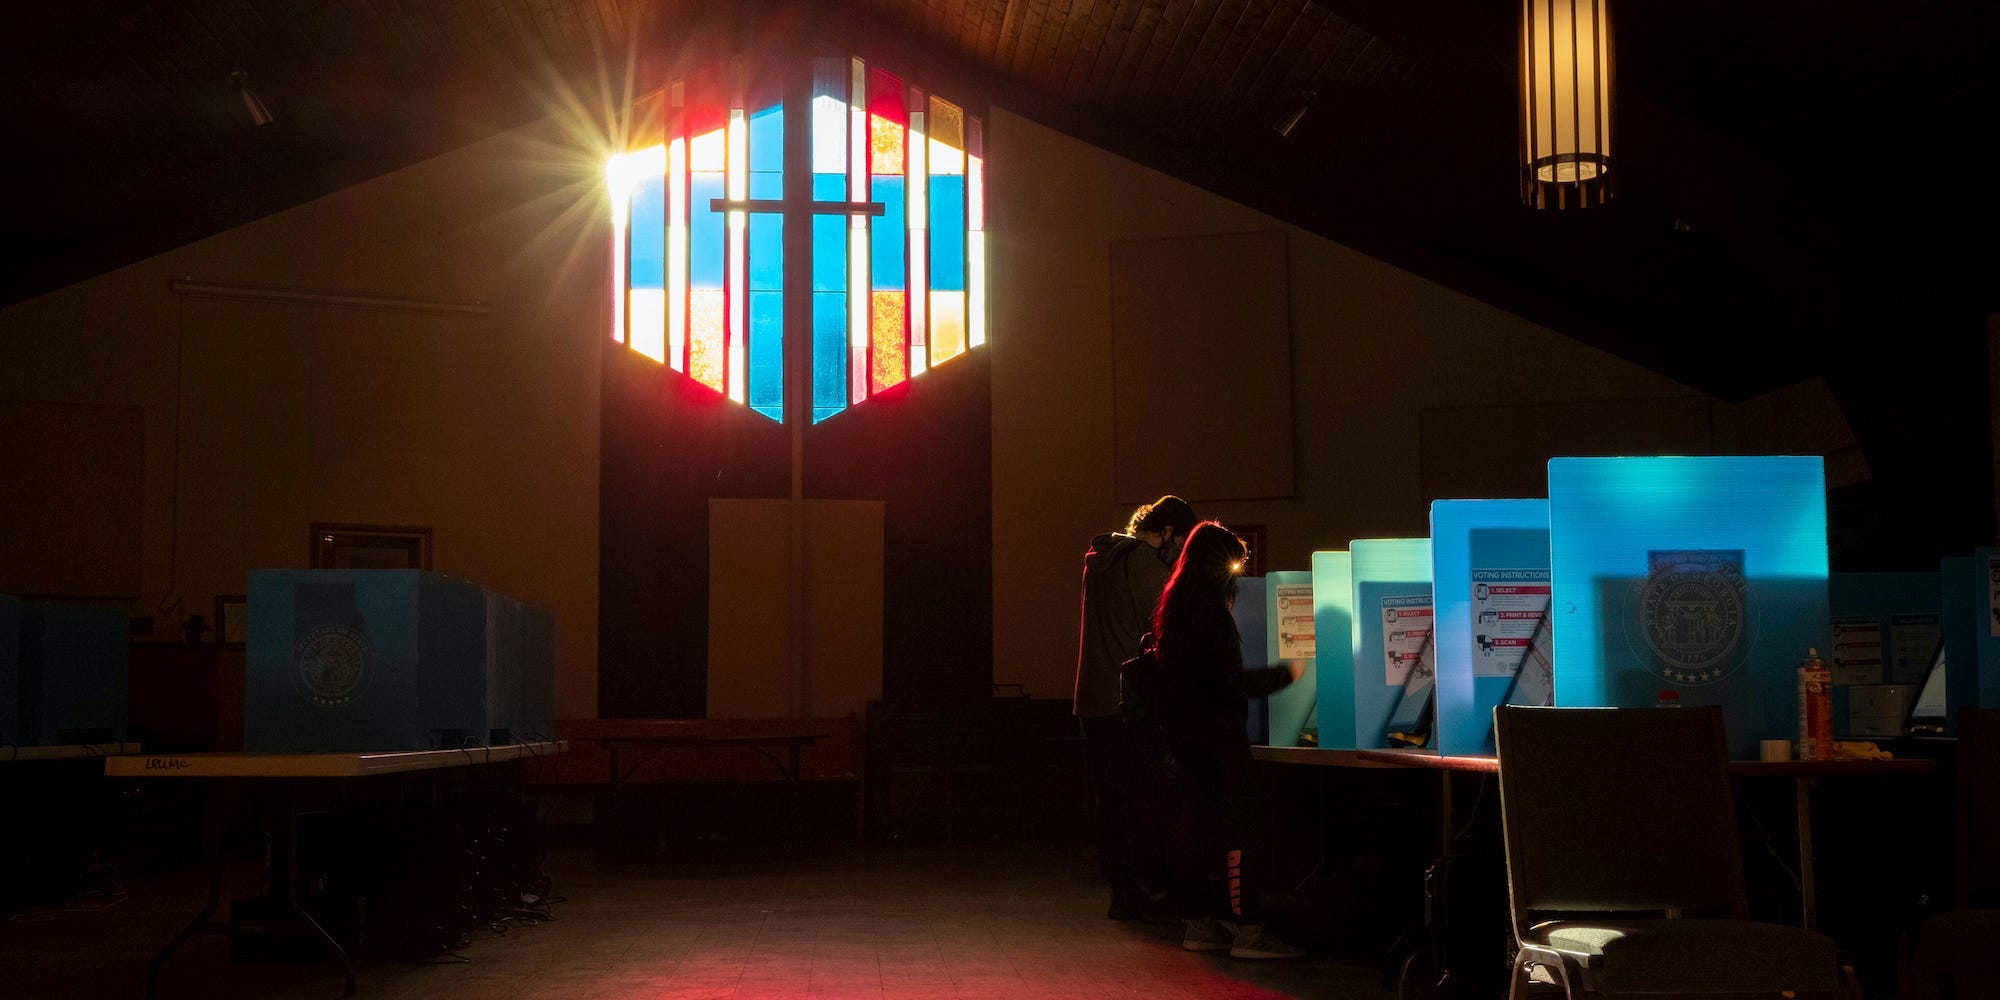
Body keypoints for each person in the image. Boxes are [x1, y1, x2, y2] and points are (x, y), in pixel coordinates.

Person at [1153, 520, 1305, 959]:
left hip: (1186, 740)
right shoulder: (1211, 615)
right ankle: (1250, 930)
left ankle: (1199, 925)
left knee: (1198, 830)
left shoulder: (1176, 610)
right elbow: (1228, 682)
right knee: (1244, 830)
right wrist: (1286, 673)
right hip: (1219, 739)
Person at [1073, 495, 1198, 920]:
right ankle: (1151, 891)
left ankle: (1123, 891)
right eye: (1179, 544)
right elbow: (1163, 623)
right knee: (1145, 799)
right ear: (1165, 532)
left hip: (1093, 698)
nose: (1178, 555)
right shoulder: (1143, 561)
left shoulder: (1101, 560)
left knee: (1111, 799)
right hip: (1130, 702)